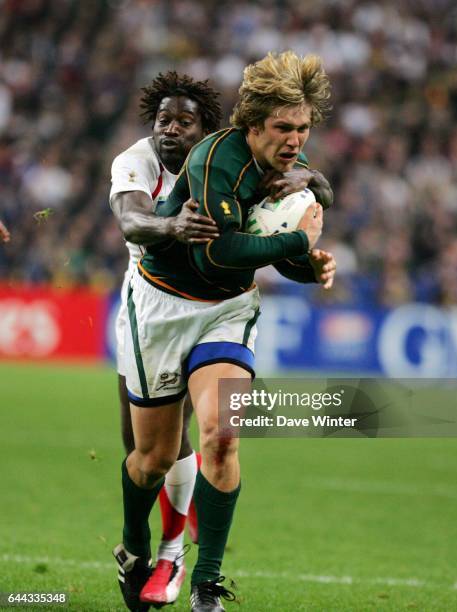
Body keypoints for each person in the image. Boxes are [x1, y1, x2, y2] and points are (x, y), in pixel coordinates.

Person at [117, 51, 336, 612]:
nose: (295, 140)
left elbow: (262, 254)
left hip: (228, 309)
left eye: (304, 129)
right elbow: (220, 253)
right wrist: (298, 245)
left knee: (221, 435)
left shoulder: (290, 162)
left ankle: (207, 586)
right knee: (153, 459)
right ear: (253, 124)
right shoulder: (214, 158)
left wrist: (307, 267)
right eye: (284, 128)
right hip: (162, 305)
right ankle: (136, 545)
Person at [110, 72, 222, 609]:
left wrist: (308, 176)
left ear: (204, 130)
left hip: (208, 310)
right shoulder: (135, 161)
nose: (170, 130)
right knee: (142, 452)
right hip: (147, 308)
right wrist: (174, 227)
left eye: (183, 121)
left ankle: (167, 550)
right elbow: (132, 220)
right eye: (163, 120)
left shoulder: (221, 160)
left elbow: (279, 160)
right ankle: (143, 539)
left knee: (176, 437)